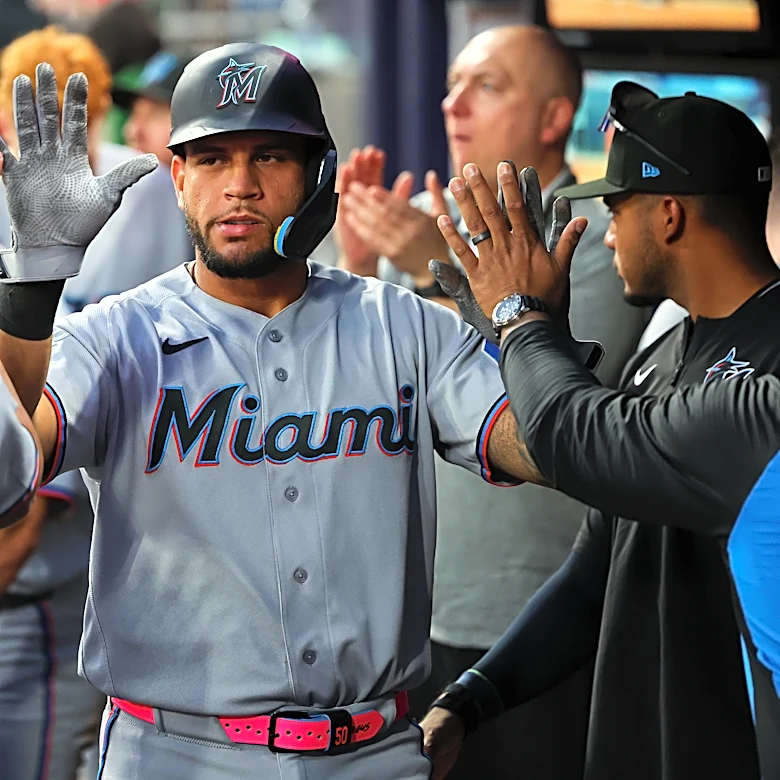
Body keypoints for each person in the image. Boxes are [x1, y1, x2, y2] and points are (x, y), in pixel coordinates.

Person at [0, 44, 539, 780]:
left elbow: (541, 449)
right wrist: (31, 289)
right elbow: (6, 481)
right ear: (179, 176)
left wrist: (532, 329)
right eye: (214, 159)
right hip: (174, 755)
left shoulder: (403, 324)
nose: (241, 186)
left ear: (317, 172)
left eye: (270, 157)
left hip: (376, 756)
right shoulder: (116, 337)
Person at [419, 81, 780, 779]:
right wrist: (471, 698)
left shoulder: (770, 369)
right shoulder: (665, 351)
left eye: (617, 208)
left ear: (669, 215)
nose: (607, 232)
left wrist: (522, 318)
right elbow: (597, 569)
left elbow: (570, 433)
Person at [336, 26, 650, 778]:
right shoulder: (430, 227)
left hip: (541, 623)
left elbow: (551, 403)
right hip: (416, 617)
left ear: (552, 118)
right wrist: (357, 269)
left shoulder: (598, 235)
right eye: (451, 84)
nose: (453, 105)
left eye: (487, 85)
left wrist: (422, 269)